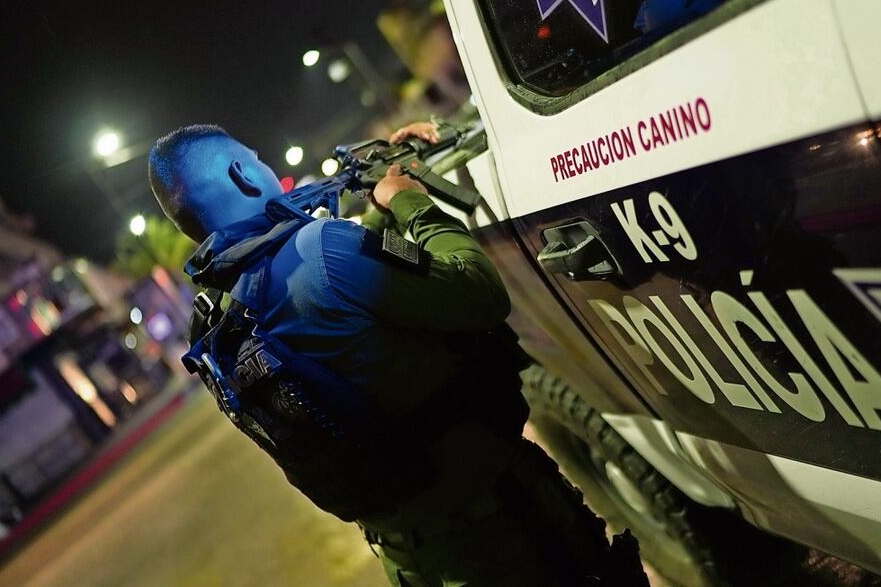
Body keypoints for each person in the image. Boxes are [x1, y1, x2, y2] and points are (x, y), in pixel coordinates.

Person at [147, 121, 648, 586]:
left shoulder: (218, 311)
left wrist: (381, 190)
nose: (261, 164)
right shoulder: (321, 248)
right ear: (240, 173)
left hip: (410, 555)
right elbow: (479, 295)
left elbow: (338, 292)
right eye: (253, 158)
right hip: (505, 531)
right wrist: (413, 207)